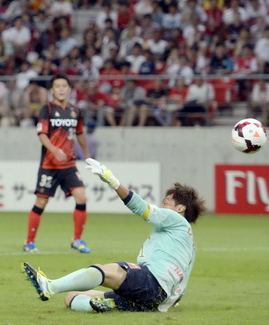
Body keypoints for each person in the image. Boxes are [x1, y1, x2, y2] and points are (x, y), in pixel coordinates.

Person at [23, 158, 206, 313]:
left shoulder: (175, 218)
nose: (163, 204)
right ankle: (110, 304)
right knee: (71, 297)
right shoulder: (189, 242)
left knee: (105, 270)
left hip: (151, 281)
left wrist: (112, 181)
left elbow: (142, 208)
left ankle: (50, 286)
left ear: (180, 208)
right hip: (154, 299)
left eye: (167, 201)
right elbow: (184, 281)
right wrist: (167, 303)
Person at [23, 73, 91, 254]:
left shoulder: (75, 111)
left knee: (82, 197)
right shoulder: (47, 109)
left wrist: (87, 155)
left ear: (69, 89)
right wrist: (54, 150)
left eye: (64, 86)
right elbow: (42, 134)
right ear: (52, 90)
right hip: (49, 165)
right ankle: (29, 242)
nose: (61, 89)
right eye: (57, 86)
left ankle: (77, 240)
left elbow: (80, 133)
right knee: (41, 202)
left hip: (68, 165)